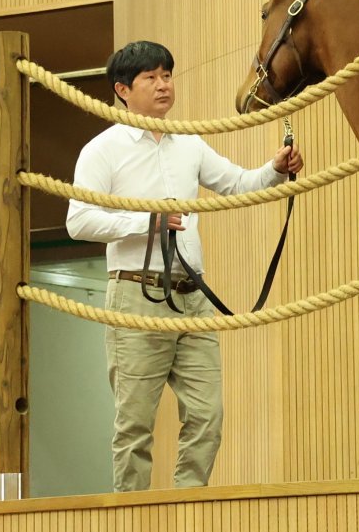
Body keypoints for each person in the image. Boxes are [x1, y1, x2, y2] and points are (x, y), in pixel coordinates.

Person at [66, 40, 303, 492]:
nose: (163, 86)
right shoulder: (103, 149)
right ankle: (132, 521)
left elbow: (237, 184)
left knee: (207, 417)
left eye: (167, 76)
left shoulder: (188, 142)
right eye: (151, 78)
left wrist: (275, 167)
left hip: (193, 302)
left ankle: (186, 509)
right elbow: (78, 221)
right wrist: (147, 221)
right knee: (134, 424)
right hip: (135, 296)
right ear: (122, 89)